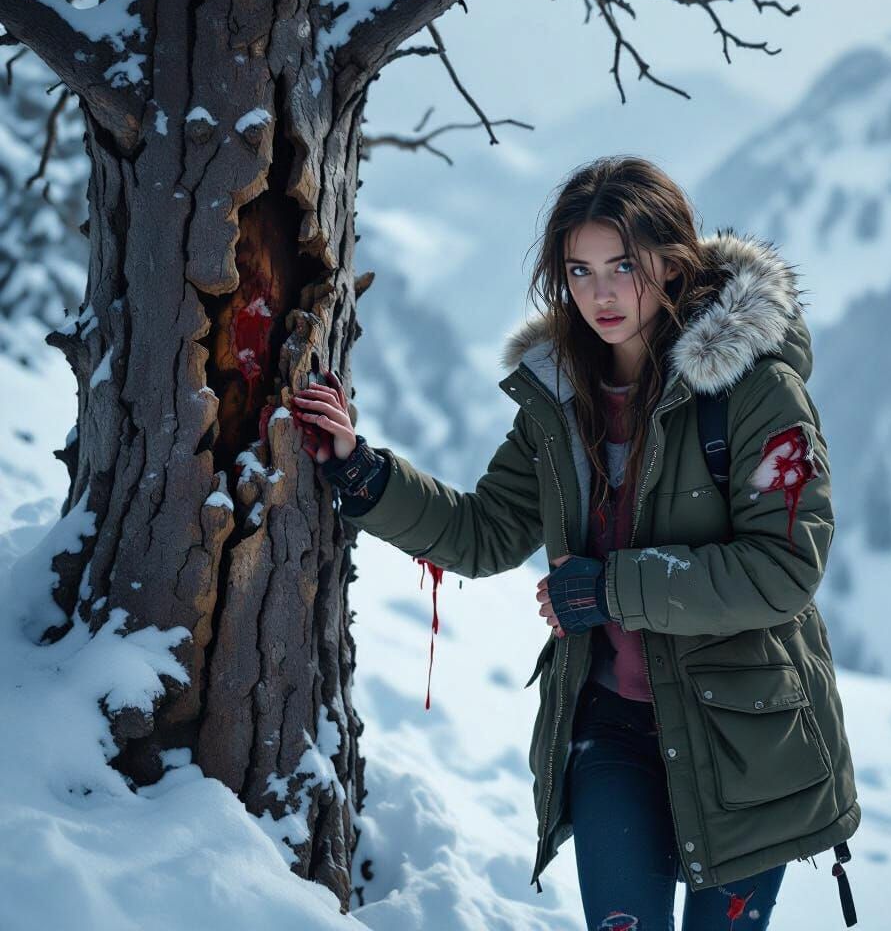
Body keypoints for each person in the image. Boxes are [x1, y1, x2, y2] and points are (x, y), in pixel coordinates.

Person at [292, 156, 861, 931]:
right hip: (610, 729)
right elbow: (485, 531)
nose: (601, 293)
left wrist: (611, 590)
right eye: (581, 269)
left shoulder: (757, 392)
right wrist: (363, 473)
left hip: (745, 743)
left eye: (624, 265)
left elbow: (783, 569)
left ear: (673, 260)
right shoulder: (559, 399)